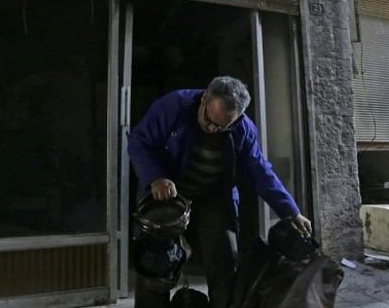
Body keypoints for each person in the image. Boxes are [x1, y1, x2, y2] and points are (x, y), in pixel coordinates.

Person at [128, 76, 312, 308]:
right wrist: (156, 177)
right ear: (204, 98)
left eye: (223, 126)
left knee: (224, 260)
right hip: (167, 195)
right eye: (209, 121)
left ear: (238, 117)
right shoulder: (173, 106)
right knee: (155, 261)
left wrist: (291, 212)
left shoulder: (243, 129)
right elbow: (139, 141)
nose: (213, 130)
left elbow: (261, 171)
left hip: (213, 196)